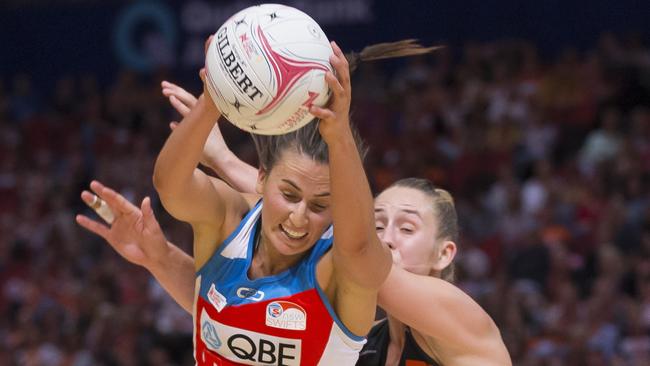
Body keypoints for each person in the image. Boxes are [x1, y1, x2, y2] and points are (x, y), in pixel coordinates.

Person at [78, 81, 512, 365]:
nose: (384, 237)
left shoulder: (458, 325)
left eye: (407, 227)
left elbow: (349, 242)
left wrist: (232, 162)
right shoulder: (365, 342)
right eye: (376, 221)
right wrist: (160, 256)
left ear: (445, 253)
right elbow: (245, 316)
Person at [151, 36, 392, 365]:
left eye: (320, 205)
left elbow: (361, 246)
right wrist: (212, 102)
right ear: (262, 177)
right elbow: (170, 187)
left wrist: (340, 137)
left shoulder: (338, 270)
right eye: (289, 195)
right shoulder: (230, 221)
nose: (299, 217)